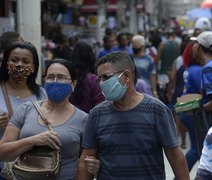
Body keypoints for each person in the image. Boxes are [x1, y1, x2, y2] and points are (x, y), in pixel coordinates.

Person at [77, 51, 189, 180]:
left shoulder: (157, 110)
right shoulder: (96, 115)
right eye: (99, 79)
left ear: (126, 76)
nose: (102, 83)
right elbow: (86, 160)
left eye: (106, 77)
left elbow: (175, 155)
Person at [0, 59, 100, 180]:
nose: (55, 81)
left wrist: (94, 166)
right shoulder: (26, 109)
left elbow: (87, 160)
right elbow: (2, 153)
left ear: (73, 84)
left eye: (61, 77)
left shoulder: (84, 119)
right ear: (44, 81)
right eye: (50, 77)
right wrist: (33, 140)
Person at [0, 41, 47, 179]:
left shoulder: (43, 95)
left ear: (33, 67)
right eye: (14, 60)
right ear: (6, 63)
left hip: (33, 167)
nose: (19, 64)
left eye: (25, 61)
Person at [70, 40, 105, 113]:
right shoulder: (94, 80)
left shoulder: (68, 78)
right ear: (91, 57)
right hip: (89, 121)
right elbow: (100, 108)